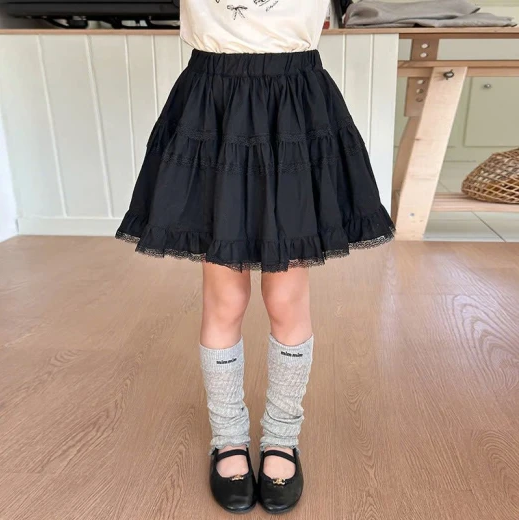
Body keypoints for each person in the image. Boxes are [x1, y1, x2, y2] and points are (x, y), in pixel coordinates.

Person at [116, 0, 395, 514]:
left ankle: (282, 438)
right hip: (213, 105)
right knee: (224, 297)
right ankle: (227, 438)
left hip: (294, 104)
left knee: (287, 296)